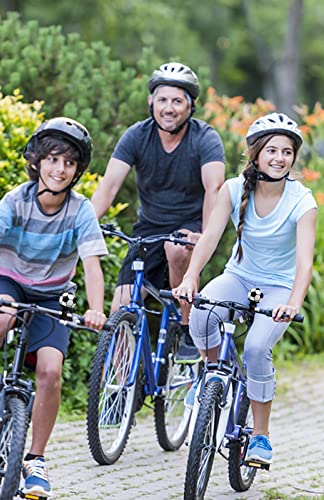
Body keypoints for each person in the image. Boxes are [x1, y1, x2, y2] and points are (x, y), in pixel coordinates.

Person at [0, 117, 107, 498]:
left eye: (69, 163)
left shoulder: (80, 210)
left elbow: (91, 266)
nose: (60, 169)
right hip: (10, 282)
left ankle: (36, 459)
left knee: (51, 371)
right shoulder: (16, 201)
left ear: (77, 171)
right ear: (37, 160)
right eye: (52, 159)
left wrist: (96, 309)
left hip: (53, 295)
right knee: (1, 313)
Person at [174, 112, 317, 464]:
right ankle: (209, 374)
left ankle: (260, 436)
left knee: (255, 348)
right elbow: (210, 238)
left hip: (279, 287)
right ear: (256, 154)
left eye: (287, 152)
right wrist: (190, 276)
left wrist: (294, 303)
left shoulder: (302, 201)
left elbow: (304, 263)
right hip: (239, 276)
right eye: (272, 150)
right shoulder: (233, 189)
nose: (279, 158)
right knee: (202, 313)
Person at [91, 62, 225, 363]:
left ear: (190, 105)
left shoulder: (205, 138)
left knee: (176, 249)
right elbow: (108, 186)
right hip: (148, 231)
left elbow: (214, 189)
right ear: (151, 101)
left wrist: (204, 236)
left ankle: (186, 326)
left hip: (188, 228)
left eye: (177, 101)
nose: (169, 108)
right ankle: (119, 382)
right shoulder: (137, 135)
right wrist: (82, 227)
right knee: (120, 309)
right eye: (162, 99)